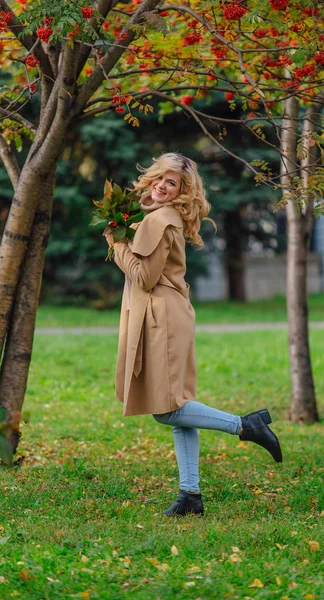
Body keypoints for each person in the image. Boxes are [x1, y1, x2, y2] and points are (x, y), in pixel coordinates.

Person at [104, 153, 282, 517]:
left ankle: (245, 425)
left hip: (162, 319)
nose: (162, 186)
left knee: (169, 410)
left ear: (183, 192)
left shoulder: (161, 222)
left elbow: (143, 277)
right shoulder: (158, 216)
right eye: (160, 178)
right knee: (178, 408)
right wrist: (141, 210)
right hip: (167, 315)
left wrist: (116, 243)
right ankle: (191, 496)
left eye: (172, 183)